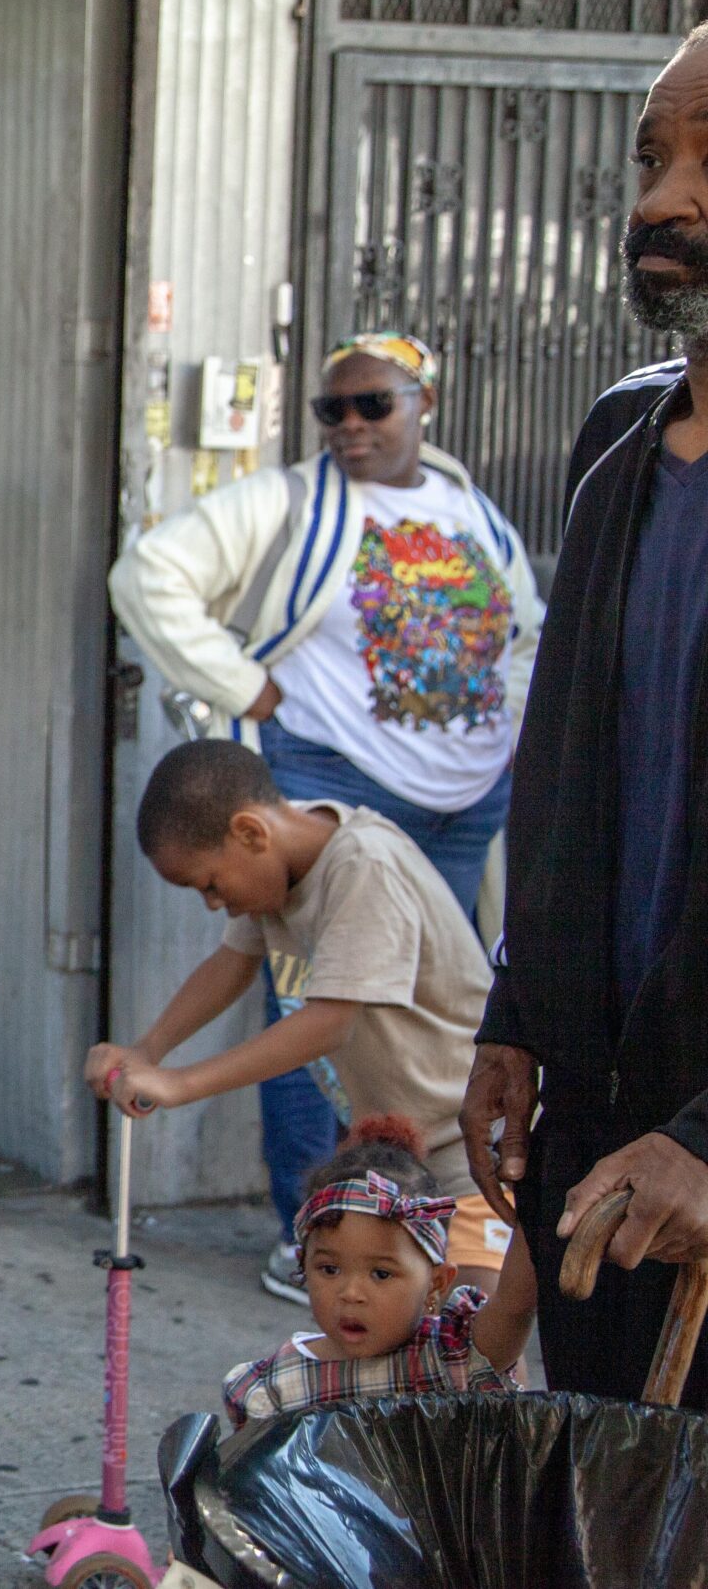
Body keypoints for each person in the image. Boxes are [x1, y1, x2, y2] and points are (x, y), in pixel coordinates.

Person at [111, 333, 543, 1302]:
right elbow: (147, 573)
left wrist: (504, 725)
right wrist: (247, 687)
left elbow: (527, 630)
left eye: (372, 406)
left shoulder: (471, 513)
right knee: (308, 1000)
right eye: (330, 410)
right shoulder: (292, 502)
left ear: (419, 404)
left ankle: (378, 1246)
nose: (349, 425)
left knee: (388, 1001)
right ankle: (323, 1233)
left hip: (459, 798)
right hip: (343, 771)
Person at [464, 23, 708, 1410]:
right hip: (602, 1145)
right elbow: (570, 772)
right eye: (653, 156)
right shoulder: (620, 441)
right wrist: (520, 1009)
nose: (662, 199)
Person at [87, 740, 507, 1301]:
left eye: (210, 884)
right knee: (409, 1349)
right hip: (406, 1163)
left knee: (476, 1349)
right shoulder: (277, 873)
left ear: (251, 833)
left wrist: (181, 1083)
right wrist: (147, 1050)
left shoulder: (362, 865)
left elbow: (331, 1022)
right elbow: (230, 966)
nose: (213, 903)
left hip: (472, 1155)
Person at [220, 1115, 532, 1427]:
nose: (351, 1293)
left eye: (381, 1274)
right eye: (329, 1269)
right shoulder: (280, 1387)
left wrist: (540, 1197)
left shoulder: (450, 1357)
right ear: (303, 1266)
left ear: (436, 1283)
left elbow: (514, 1307)